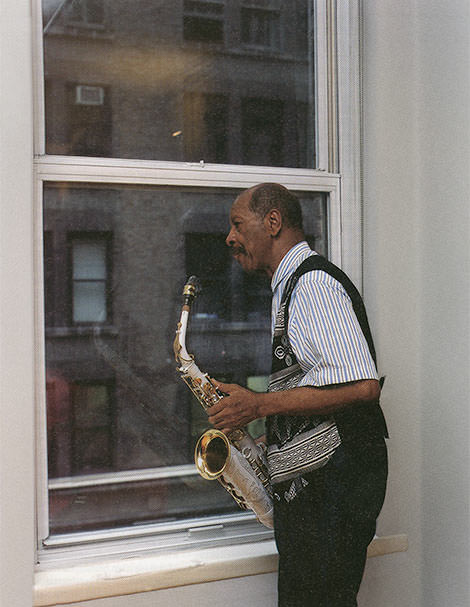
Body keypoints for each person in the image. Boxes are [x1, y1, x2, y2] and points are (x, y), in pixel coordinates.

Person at [207, 183, 388, 607]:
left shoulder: (312, 286)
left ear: (273, 223)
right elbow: (318, 383)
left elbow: (363, 385)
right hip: (319, 491)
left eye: (237, 224)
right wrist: (274, 438)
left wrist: (257, 404)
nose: (230, 237)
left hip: (333, 491)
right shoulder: (289, 288)